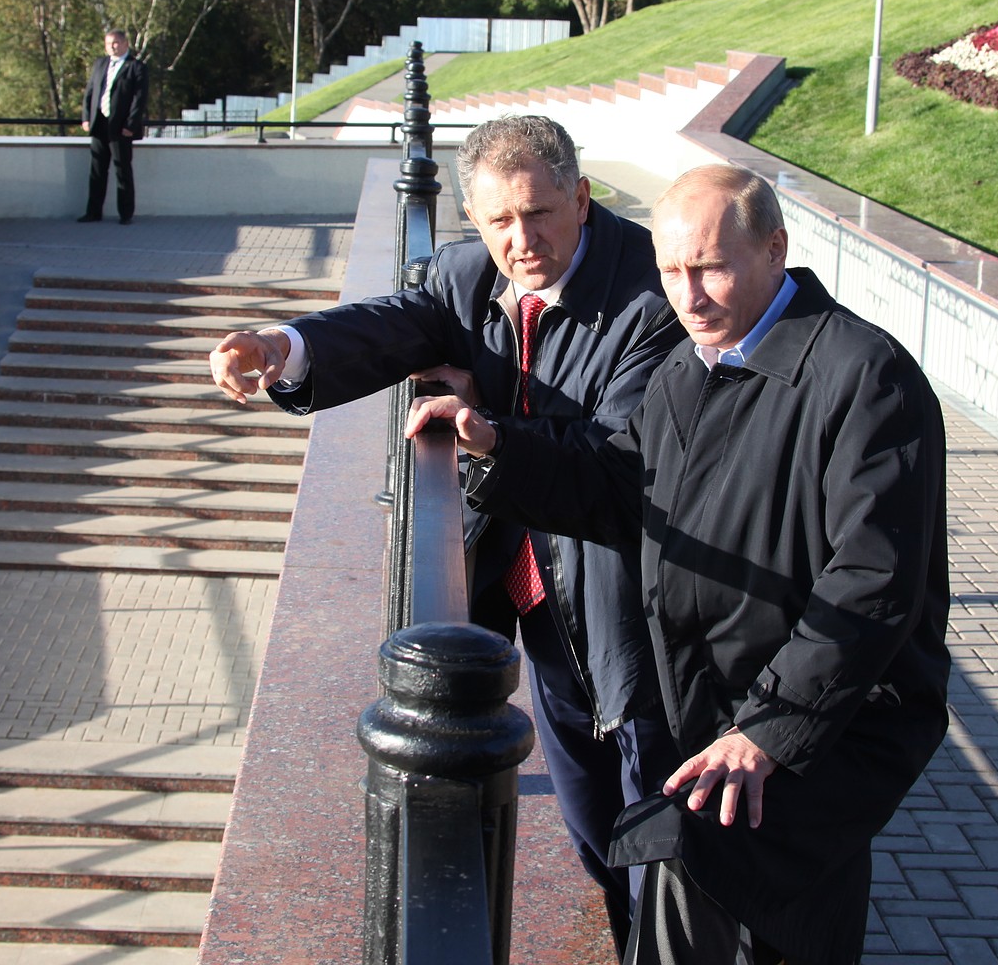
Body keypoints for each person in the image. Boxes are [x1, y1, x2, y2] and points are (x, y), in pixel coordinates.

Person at [407, 162, 952, 965]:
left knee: (699, 873)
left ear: (776, 249)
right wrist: (493, 444)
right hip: (718, 710)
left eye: (710, 268)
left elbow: (872, 584)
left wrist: (767, 732)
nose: (688, 296)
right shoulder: (689, 368)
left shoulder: (867, 379)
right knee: (764, 914)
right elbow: (614, 488)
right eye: (670, 271)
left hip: (822, 727)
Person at [208, 115, 686, 954]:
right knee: (592, 828)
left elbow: (615, 460)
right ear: (472, 217)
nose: (521, 239)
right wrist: (281, 344)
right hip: (525, 590)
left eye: (539, 213)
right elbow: (391, 324)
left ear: (581, 196)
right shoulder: (467, 275)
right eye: (499, 221)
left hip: (622, 601)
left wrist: (492, 428)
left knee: (654, 827)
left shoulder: (652, 294)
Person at [79, 28, 148, 225]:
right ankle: (93, 212)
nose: (112, 47)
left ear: (126, 44)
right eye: (109, 43)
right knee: (97, 170)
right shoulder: (100, 64)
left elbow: (139, 99)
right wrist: (86, 118)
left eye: (116, 43)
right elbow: (90, 92)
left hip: (121, 128)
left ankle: (125, 214)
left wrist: (130, 125)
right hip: (99, 124)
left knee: (122, 170)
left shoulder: (136, 67)